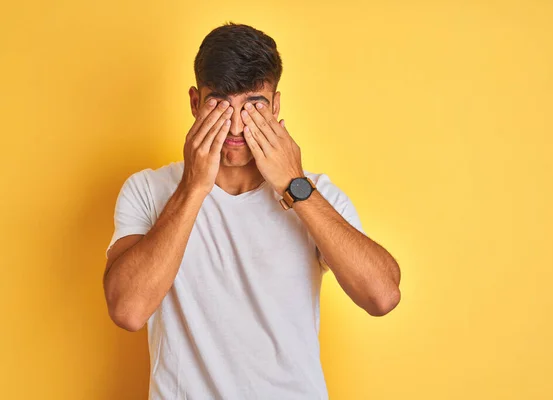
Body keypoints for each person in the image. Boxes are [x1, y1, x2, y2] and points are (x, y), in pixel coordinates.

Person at [103, 22, 401, 400]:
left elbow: (383, 296)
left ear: (276, 106)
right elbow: (128, 310)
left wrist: (295, 186)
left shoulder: (314, 192)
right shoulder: (148, 190)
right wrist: (195, 186)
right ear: (195, 103)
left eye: (254, 105)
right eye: (220, 104)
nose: (238, 123)